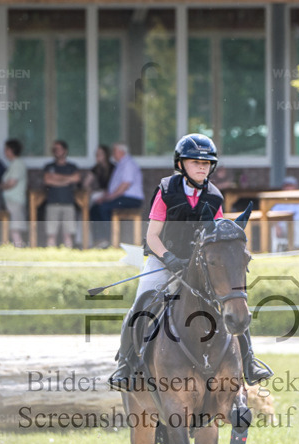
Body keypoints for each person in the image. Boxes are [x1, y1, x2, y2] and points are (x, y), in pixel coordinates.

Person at [108, 133, 273, 391]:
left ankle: (250, 361)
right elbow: (152, 236)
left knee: (231, 300)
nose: (200, 167)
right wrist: (169, 258)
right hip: (162, 259)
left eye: (206, 163)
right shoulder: (166, 191)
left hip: (199, 265)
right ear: (181, 164)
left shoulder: (215, 196)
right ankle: (125, 364)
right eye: (195, 162)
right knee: (141, 303)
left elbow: (215, 235)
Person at [90, 142, 145, 245]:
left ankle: (108, 241)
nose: (112, 154)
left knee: (104, 207)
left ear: (121, 152)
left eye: (114, 151)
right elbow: (114, 187)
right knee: (95, 208)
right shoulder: (120, 165)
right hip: (121, 197)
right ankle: (99, 240)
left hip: (131, 199)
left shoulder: (128, 163)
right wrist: (105, 197)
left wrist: (109, 198)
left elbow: (125, 185)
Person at [43, 140, 83, 248]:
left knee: (68, 234)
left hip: (68, 202)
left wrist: (56, 178)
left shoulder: (72, 166)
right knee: (51, 234)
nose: (56, 151)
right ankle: (50, 256)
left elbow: (76, 178)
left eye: (59, 149)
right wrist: (68, 179)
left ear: (65, 151)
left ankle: (67, 256)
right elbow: (47, 180)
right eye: (54, 149)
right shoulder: (49, 166)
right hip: (52, 203)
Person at [269, 175, 299, 251]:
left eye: (291, 186)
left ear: (296, 188)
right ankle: (294, 250)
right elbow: (271, 217)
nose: (288, 189)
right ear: (283, 188)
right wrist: (276, 226)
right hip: (283, 228)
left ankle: (298, 250)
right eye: (286, 186)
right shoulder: (277, 203)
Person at [0, 139, 28, 248]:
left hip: (15, 201)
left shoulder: (17, 164)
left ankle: (19, 249)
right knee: (13, 227)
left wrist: (1, 186)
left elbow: (11, 182)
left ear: (12, 150)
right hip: (11, 201)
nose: (4, 152)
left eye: (6, 149)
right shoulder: (13, 164)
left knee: (15, 228)